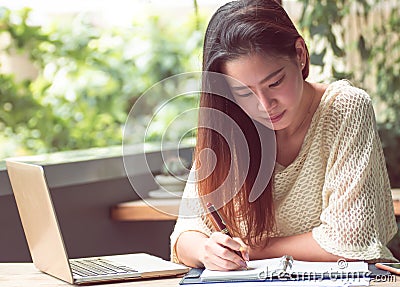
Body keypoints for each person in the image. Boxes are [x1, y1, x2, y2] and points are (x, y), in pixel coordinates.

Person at [170, 0, 398, 271]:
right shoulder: (230, 123)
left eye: (275, 83)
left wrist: (251, 248)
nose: (265, 105)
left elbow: (350, 240)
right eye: (244, 92)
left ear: (300, 54)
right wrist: (206, 250)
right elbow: (186, 232)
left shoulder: (345, 108)